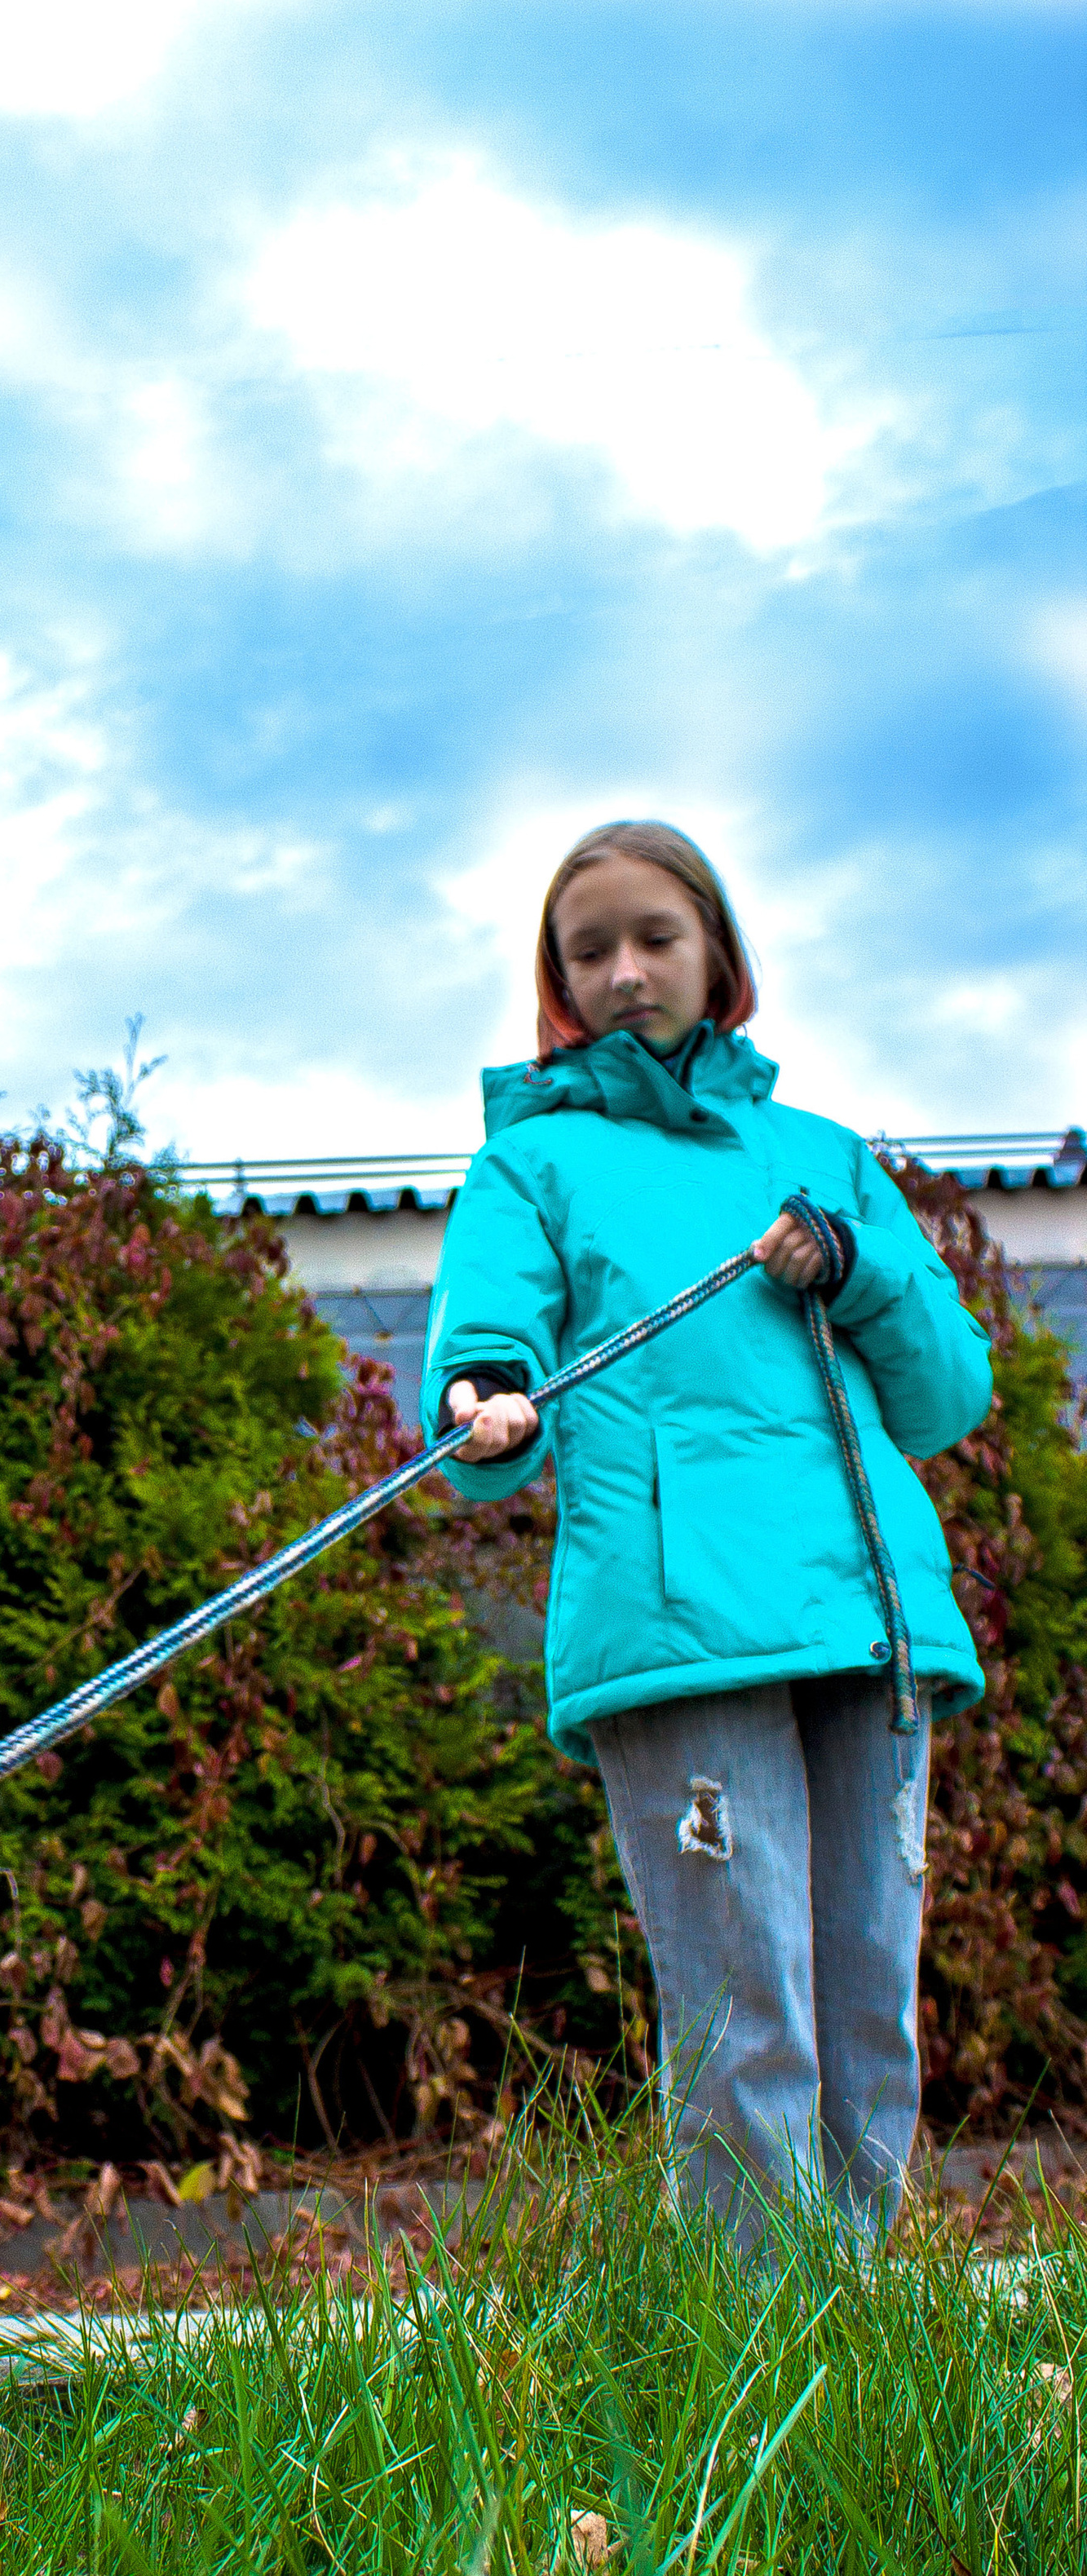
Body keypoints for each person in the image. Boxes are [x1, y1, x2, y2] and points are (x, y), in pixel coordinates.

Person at [420, 821, 991, 2249]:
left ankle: (862, 2357)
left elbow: (945, 1394)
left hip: (873, 1617)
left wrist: (853, 1272)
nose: (624, 972)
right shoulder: (530, 1169)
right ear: (555, 981)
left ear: (719, 954)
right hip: (676, 1632)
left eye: (655, 938)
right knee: (750, 2015)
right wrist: (483, 1404)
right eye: (588, 949)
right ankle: (755, 2360)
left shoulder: (825, 1160)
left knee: (870, 1999)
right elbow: (483, 1353)